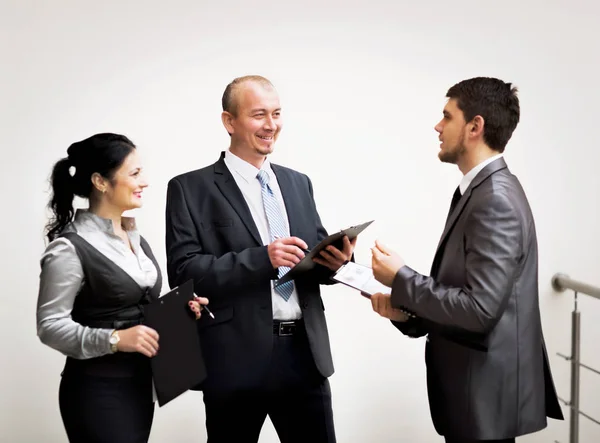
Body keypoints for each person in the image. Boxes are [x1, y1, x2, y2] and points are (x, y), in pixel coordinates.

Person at [368, 77, 564, 443]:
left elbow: (479, 310)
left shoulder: (495, 199)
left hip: (484, 402)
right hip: (474, 399)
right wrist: (406, 314)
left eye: (447, 117)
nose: (437, 127)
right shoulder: (479, 191)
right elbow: (467, 297)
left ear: (475, 127)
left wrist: (401, 278)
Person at [165, 75, 355, 443]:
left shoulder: (298, 182)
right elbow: (184, 271)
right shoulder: (190, 188)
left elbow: (311, 255)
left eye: (277, 113)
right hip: (233, 358)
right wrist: (261, 259)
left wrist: (336, 262)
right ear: (229, 121)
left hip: (304, 354)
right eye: (258, 115)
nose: (271, 125)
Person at [36, 133, 207, 443]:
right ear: (101, 182)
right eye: (135, 173)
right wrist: (114, 339)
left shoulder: (136, 240)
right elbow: (49, 326)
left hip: (142, 387)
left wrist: (183, 309)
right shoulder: (68, 248)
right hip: (97, 391)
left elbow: (138, 307)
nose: (145, 181)